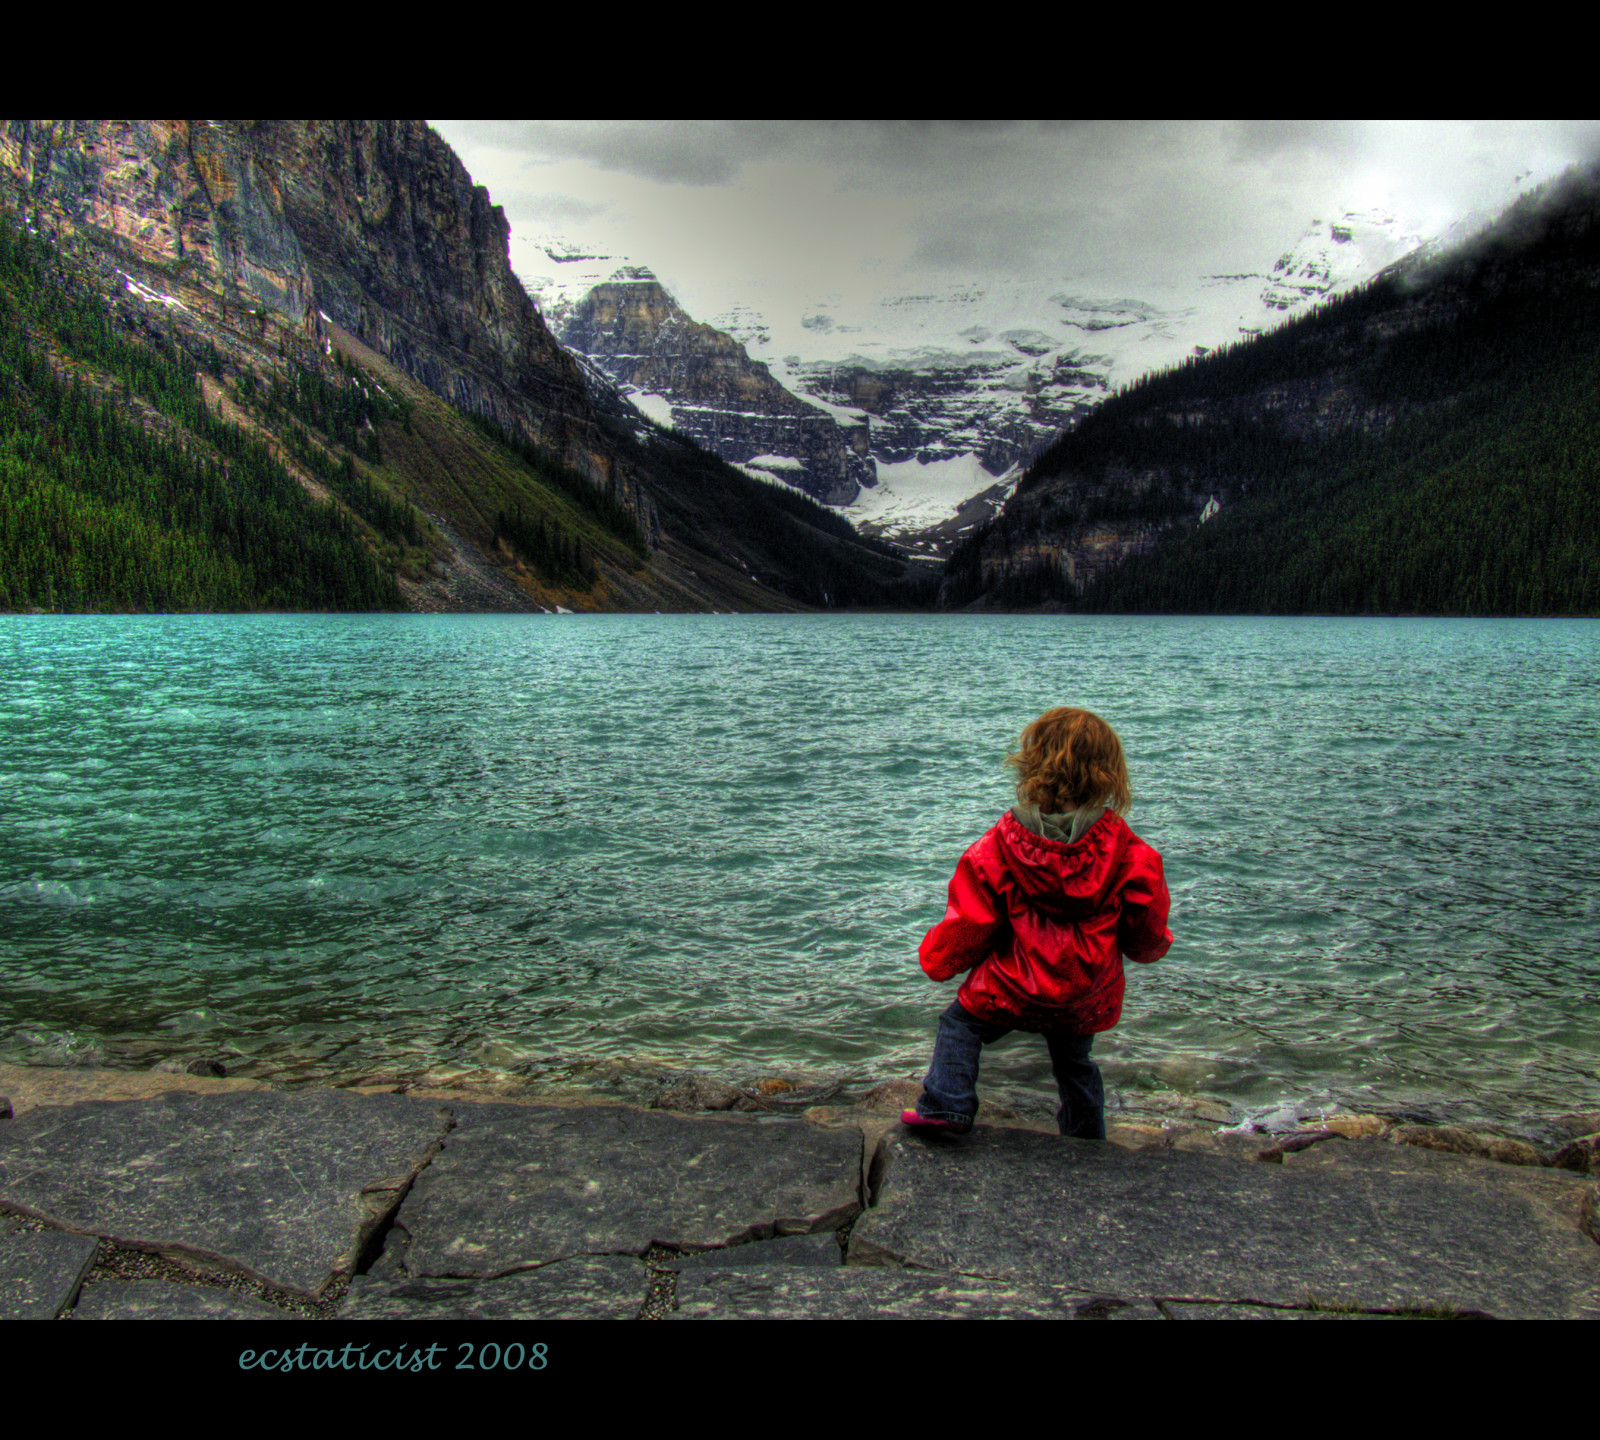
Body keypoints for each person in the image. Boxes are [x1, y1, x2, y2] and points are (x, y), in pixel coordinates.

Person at [902, 706, 1172, 1140]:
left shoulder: (1000, 844)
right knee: (1075, 1060)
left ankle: (946, 1105)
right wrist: (1146, 949)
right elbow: (1145, 932)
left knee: (960, 1025)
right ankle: (1086, 1138)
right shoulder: (1130, 852)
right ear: (1108, 775)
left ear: (1033, 767)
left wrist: (936, 960)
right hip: (1085, 989)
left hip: (1011, 987)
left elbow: (970, 925)